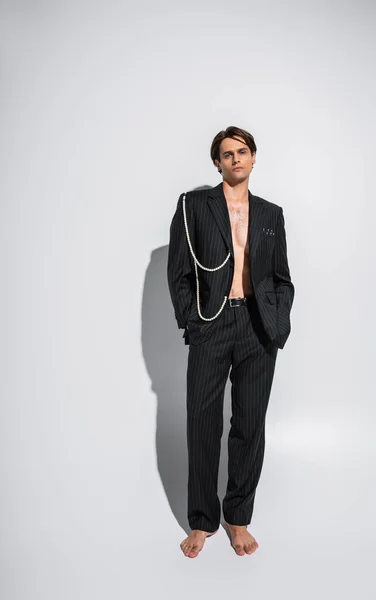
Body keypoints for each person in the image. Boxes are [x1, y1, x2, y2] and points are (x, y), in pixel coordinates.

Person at [167, 126, 295, 559]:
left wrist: (279, 320)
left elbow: (281, 277)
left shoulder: (271, 214)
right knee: (202, 422)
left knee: (248, 425)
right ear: (217, 162)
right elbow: (179, 272)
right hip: (212, 324)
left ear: (254, 158)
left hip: (259, 327)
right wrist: (194, 322)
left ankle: (237, 517)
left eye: (242, 152)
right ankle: (202, 521)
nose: (235, 159)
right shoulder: (193, 206)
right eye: (227, 153)